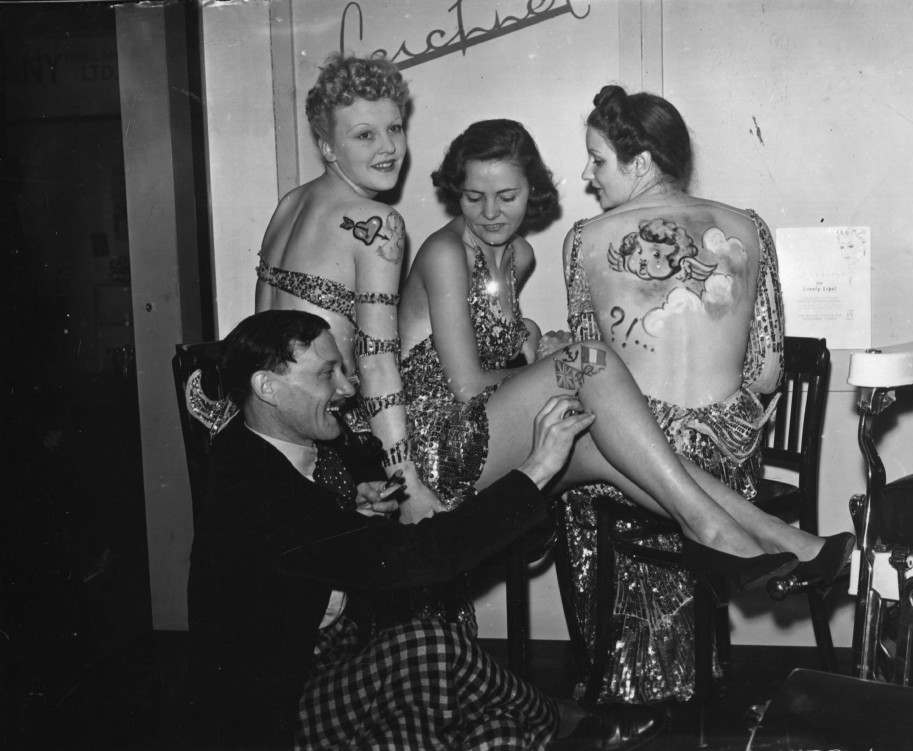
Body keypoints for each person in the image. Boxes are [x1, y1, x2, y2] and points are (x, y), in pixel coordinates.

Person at [186, 310, 664, 750]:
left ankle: (539, 724)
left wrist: (351, 509)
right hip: (280, 713)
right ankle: (556, 719)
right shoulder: (251, 487)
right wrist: (537, 468)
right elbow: (422, 559)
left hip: (334, 664)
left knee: (493, 730)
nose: (348, 388)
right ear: (268, 387)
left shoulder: (274, 444)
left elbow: (314, 530)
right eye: (325, 374)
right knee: (429, 645)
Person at [398, 120, 839, 591]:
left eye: (506, 197)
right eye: (472, 197)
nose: (490, 212)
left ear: (532, 189)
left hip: (487, 430)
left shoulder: (519, 255)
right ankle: (717, 533)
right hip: (438, 445)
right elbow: (465, 385)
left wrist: (535, 348)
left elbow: (493, 347)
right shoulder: (446, 253)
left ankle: (773, 537)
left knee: (613, 442)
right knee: (591, 360)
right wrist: (549, 368)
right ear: (455, 193)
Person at [551, 84, 855, 703]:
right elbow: (767, 370)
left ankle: (627, 685)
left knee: (578, 468)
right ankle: (701, 654)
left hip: (636, 463)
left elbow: (593, 371)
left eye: (597, 159)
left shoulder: (585, 238)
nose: (587, 175)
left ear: (640, 163)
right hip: (730, 459)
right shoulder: (748, 226)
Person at [255, 53, 441, 523]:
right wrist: (407, 482)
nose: (389, 148)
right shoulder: (378, 223)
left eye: (394, 129)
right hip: (336, 447)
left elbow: (262, 335)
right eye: (365, 135)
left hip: (270, 438)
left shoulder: (289, 203)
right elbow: (376, 361)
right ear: (328, 146)